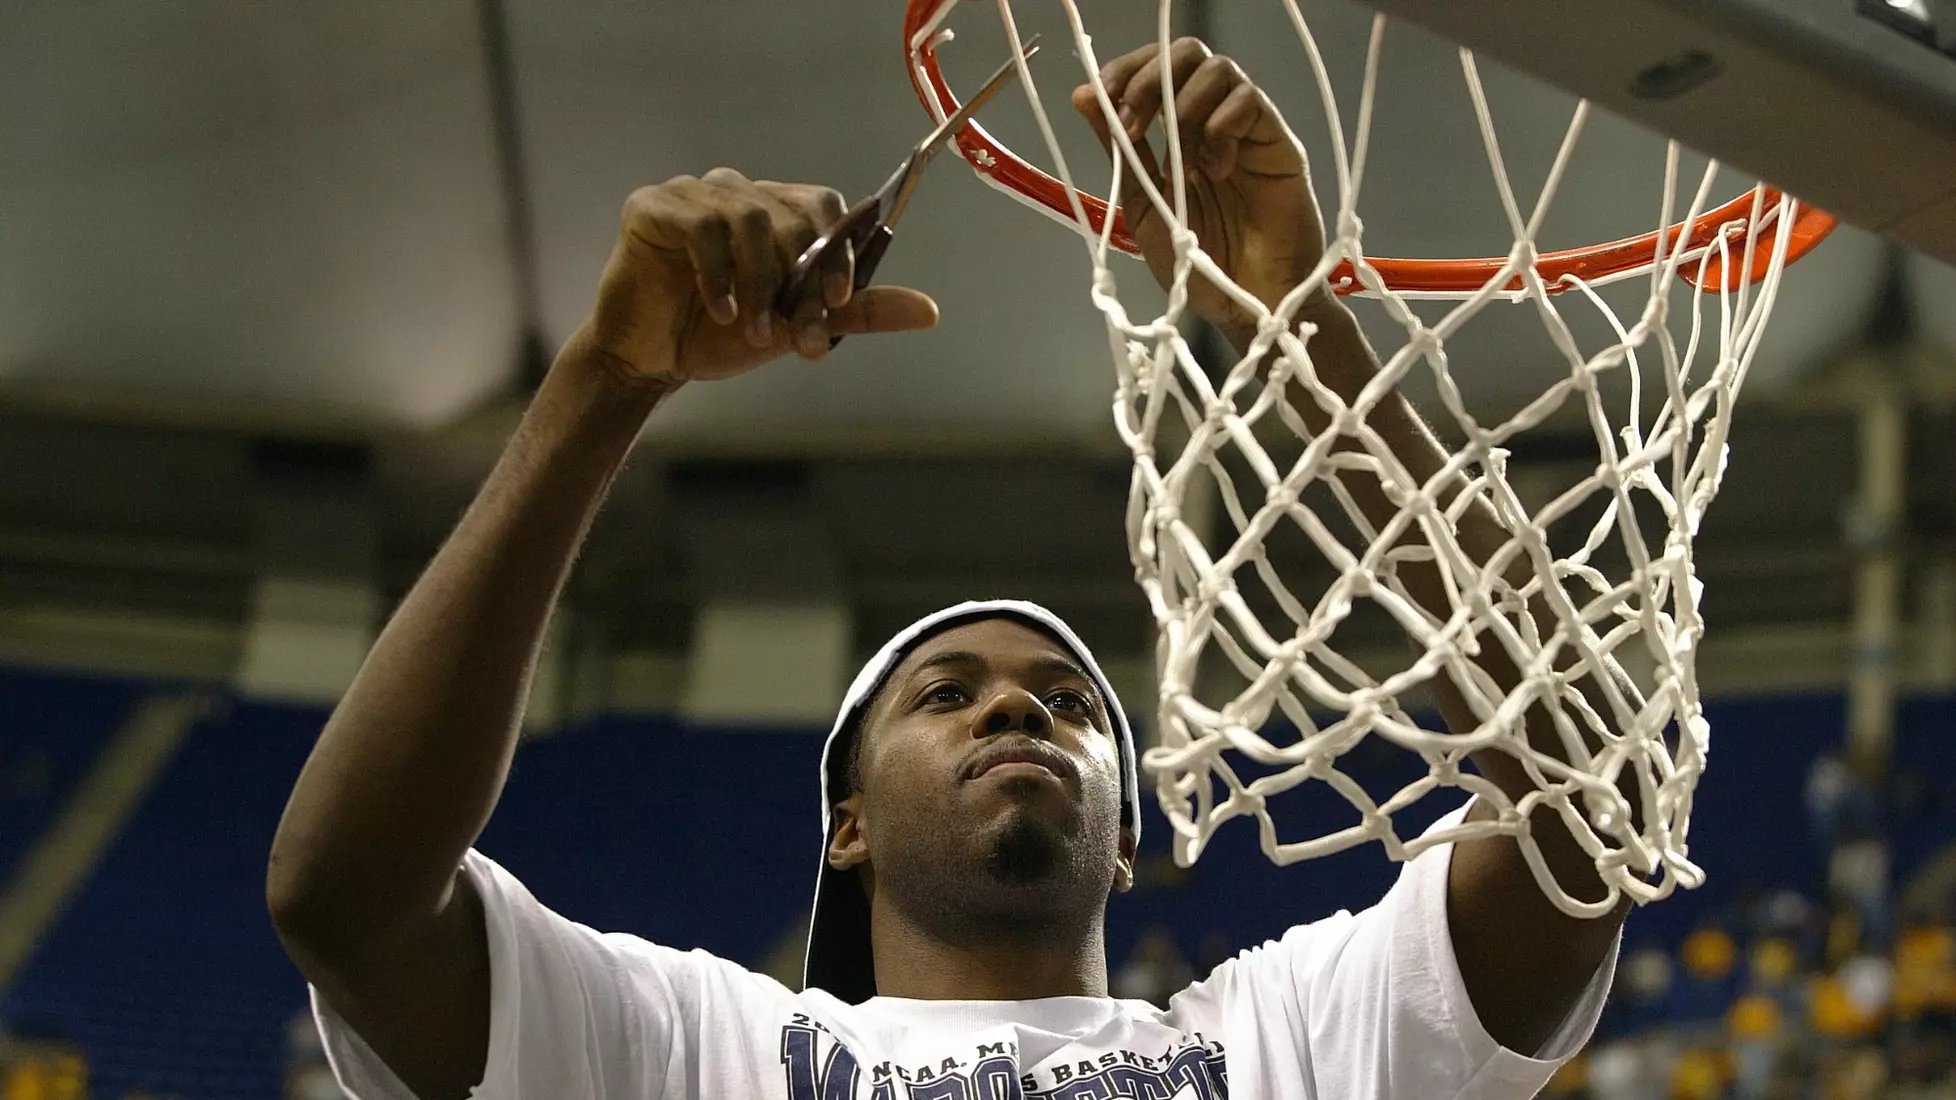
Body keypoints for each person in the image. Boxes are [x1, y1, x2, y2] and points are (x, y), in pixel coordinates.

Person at [267, 40, 1628, 1100]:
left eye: (1072, 701)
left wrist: (1302, 326)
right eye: (945, 694)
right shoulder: (699, 1049)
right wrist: (605, 381)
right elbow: (347, 901)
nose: (1016, 708)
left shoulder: (1286, 1041)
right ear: (846, 824)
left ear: (1128, 834)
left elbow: (1580, 819)